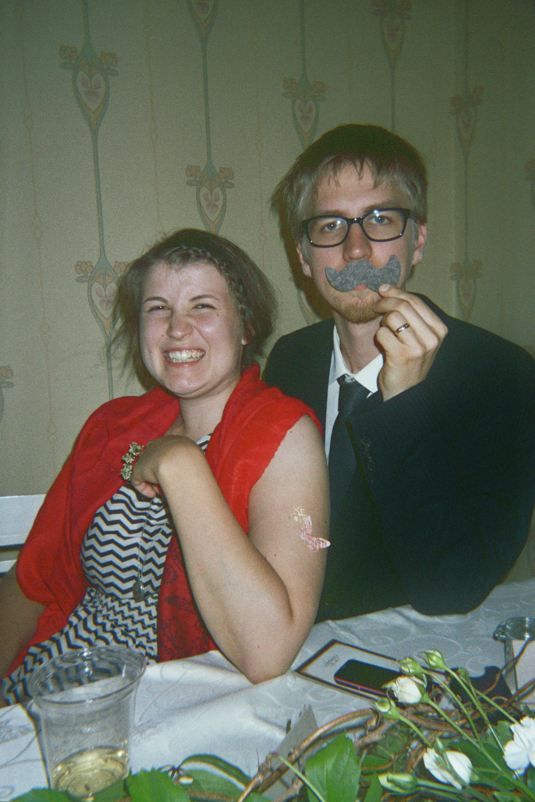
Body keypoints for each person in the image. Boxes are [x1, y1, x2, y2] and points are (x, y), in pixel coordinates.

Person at [0, 229, 329, 705]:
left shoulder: (286, 434)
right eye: (158, 308)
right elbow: (31, 584)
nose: (177, 328)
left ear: (246, 326)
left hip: (170, 707)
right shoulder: (111, 428)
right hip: (51, 689)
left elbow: (267, 651)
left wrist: (180, 463)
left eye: (202, 306)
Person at [265, 123, 535, 620]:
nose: (356, 249)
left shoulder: (503, 377)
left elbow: (452, 589)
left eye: (381, 219)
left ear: (419, 239)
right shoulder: (289, 360)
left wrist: (404, 405)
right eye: (330, 226)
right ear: (303, 255)